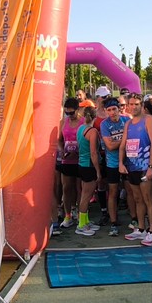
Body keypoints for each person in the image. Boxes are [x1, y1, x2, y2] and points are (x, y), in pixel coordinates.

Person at [120, 94, 152, 246]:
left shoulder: (149, 120)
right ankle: (141, 228)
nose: (134, 106)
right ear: (128, 106)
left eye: (137, 104)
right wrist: (120, 163)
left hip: (145, 167)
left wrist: (151, 167)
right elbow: (123, 145)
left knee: (148, 198)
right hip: (131, 167)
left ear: (141, 105)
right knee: (137, 199)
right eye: (131, 104)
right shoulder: (128, 123)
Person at [98, 97, 128, 236]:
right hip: (112, 163)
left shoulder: (126, 120)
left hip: (129, 161)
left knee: (132, 192)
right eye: (109, 110)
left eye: (114, 109)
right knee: (113, 192)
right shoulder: (104, 124)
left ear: (119, 109)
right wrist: (125, 140)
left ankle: (135, 220)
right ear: (105, 111)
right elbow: (109, 146)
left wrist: (118, 141)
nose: (112, 113)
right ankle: (114, 223)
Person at [74, 106, 103, 236]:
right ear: (95, 117)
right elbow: (93, 153)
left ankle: (84, 221)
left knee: (85, 194)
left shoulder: (80, 129)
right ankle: (81, 225)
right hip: (89, 166)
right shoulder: (93, 132)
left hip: (81, 164)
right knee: (86, 196)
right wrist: (98, 171)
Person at [56, 97, 83, 229]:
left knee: (79, 188)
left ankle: (79, 212)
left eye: (72, 113)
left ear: (78, 110)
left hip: (80, 159)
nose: (69, 115)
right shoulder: (63, 122)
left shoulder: (83, 122)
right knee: (66, 187)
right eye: (67, 113)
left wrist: (78, 150)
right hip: (67, 160)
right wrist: (62, 150)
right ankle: (68, 215)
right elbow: (59, 140)